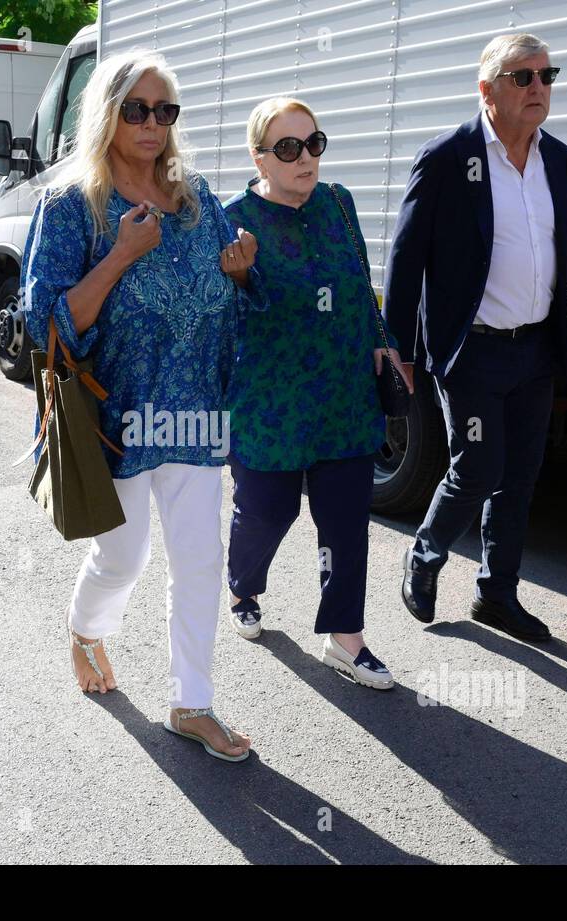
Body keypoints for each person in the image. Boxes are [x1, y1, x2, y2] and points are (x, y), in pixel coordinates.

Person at [22, 50, 267, 762]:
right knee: (123, 559)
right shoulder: (73, 206)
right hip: (116, 418)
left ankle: (193, 703)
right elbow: (47, 321)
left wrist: (241, 274)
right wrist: (121, 254)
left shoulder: (196, 198)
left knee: (199, 562)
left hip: (195, 412)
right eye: (137, 109)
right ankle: (87, 629)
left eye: (165, 110)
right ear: (108, 112)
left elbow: (232, 301)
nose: (153, 122)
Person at [386, 33, 567, 643]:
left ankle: (496, 593)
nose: (539, 87)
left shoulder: (560, 162)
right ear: (487, 90)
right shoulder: (447, 157)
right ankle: (425, 556)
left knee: (521, 475)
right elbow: (407, 258)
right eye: (523, 77)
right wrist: (397, 347)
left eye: (547, 76)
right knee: (480, 466)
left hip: (536, 348)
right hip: (472, 348)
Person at [222, 98, 411, 689]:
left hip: (344, 394)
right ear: (259, 157)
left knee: (347, 519)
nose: (305, 157)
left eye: (313, 143)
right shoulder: (233, 221)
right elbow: (219, 316)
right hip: (269, 401)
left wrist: (382, 343)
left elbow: (359, 285)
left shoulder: (338, 203)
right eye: (288, 148)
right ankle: (243, 586)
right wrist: (241, 275)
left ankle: (345, 638)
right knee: (267, 512)